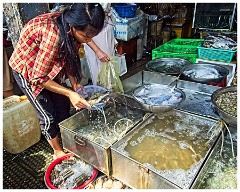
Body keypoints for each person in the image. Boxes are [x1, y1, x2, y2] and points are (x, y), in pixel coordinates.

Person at [8, 3, 107, 159]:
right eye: (86, 36)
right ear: (73, 27)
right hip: (27, 70)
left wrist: (74, 83)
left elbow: (67, 56)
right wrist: (70, 93)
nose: (88, 40)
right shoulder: (53, 36)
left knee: (62, 104)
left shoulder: (69, 25)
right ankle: (57, 150)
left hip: (46, 65)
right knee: (47, 115)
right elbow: (38, 78)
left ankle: (64, 136)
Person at [84, 3, 116, 85]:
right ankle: (101, 94)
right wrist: (97, 51)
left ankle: (110, 93)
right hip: (94, 33)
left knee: (110, 68)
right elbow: (84, 32)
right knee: (98, 72)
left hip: (107, 25)